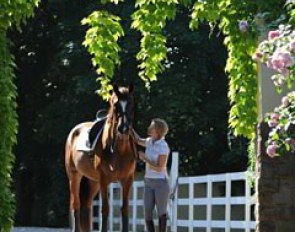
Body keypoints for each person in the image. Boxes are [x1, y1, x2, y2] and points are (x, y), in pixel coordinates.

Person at [132, 118, 170, 232]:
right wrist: (129, 127)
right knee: (147, 213)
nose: (149, 128)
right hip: (148, 182)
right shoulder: (149, 141)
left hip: (161, 183)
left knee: (161, 212)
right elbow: (137, 140)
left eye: (152, 126)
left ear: (158, 130)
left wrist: (145, 159)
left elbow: (159, 167)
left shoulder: (163, 146)